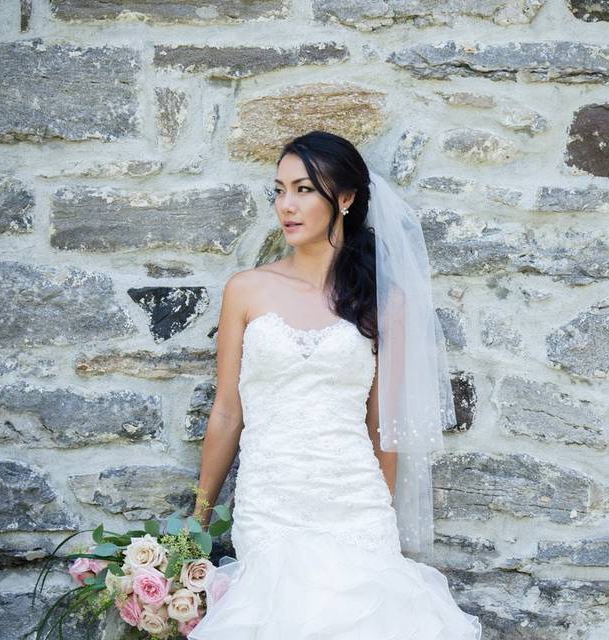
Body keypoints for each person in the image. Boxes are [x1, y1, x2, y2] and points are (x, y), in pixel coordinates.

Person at [187, 130, 482, 639]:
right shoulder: (246, 290)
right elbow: (227, 412)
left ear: (344, 199)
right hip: (270, 503)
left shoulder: (383, 303)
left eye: (304, 189)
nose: (287, 205)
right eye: (279, 190)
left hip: (354, 505)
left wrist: (381, 520)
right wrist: (197, 518)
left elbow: (382, 426)